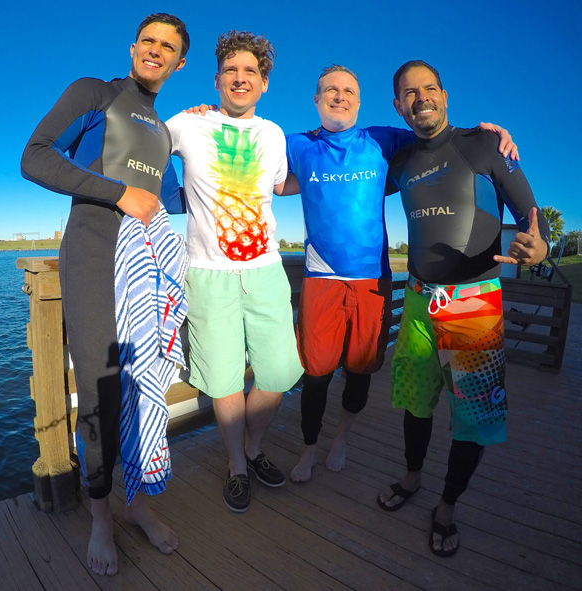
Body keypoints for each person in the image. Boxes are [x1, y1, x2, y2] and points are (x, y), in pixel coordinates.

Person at [283, 66, 517, 483]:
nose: (340, 96)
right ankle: (308, 448)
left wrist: (492, 134)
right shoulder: (296, 145)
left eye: (349, 90)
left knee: (360, 370)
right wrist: (211, 118)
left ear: (360, 100)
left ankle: (341, 438)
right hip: (321, 279)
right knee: (315, 374)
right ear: (316, 100)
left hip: (374, 281)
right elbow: (255, 165)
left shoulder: (384, 139)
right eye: (330, 91)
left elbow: (439, 134)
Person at [21, 13, 189, 576]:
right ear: (134, 46)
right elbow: (36, 155)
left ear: (179, 62)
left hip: (143, 266)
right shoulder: (96, 93)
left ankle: (137, 503)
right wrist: (118, 193)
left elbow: (172, 201)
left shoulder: (163, 132)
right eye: (149, 41)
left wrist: (226, 147)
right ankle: (101, 516)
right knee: (98, 391)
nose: (156, 51)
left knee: (143, 387)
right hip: (93, 256)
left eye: (168, 47)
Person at [377, 60, 549, 557]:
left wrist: (535, 251)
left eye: (429, 88)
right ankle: (412, 478)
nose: (421, 98)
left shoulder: (486, 143)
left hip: (474, 301)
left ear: (445, 95)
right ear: (398, 105)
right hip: (416, 298)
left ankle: (447, 505)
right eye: (409, 93)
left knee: (473, 417)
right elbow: (351, 166)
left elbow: (533, 224)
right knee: (415, 400)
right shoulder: (401, 161)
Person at [165, 31, 303, 513]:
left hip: (265, 270)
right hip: (208, 274)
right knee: (223, 379)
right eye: (232, 71)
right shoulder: (187, 123)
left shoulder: (274, 133)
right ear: (218, 80)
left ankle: (253, 444)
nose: (241, 78)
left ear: (264, 83)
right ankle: (238, 465)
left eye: (251, 72)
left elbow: (284, 184)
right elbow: (142, 146)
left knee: (280, 371)